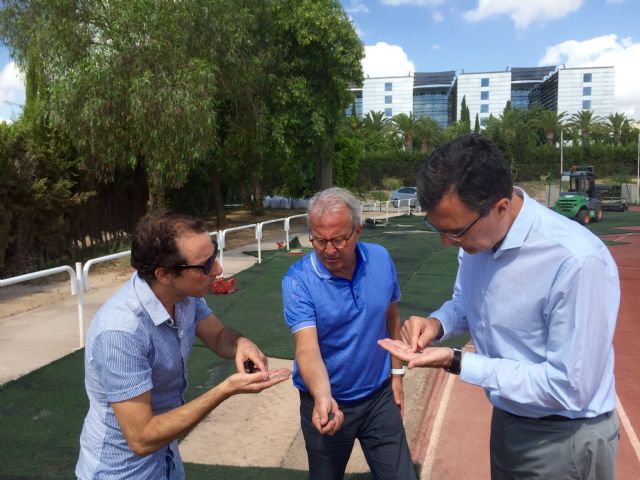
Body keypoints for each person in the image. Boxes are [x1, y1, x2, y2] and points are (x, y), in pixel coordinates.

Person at [378, 134, 620, 480]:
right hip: (508, 418)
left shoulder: (576, 261)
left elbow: (568, 386)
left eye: (455, 231)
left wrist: (457, 360)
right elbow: (466, 300)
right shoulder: (479, 236)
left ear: (501, 208)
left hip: (565, 435)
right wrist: (437, 324)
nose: (448, 242)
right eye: (439, 230)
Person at [76, 212, 290, 479]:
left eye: (214, 256)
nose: (218, 270)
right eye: (206, 265)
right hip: (122, 471)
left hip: (167, 461)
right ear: (164, 274)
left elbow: (218, 335)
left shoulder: (184, 295)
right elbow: (141, 438)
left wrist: (240, 343)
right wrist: (225, 390)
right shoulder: (120, 332)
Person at [282, 187, 416, 480]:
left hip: (379, 397)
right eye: (319, 240)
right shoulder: (298, 280)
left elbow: (390, 317)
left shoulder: (381, 259)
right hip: (328, 401)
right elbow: (307, 348)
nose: (328, 250)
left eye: (338, 240)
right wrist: (323, 397)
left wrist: (396, 375)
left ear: (358, 231)